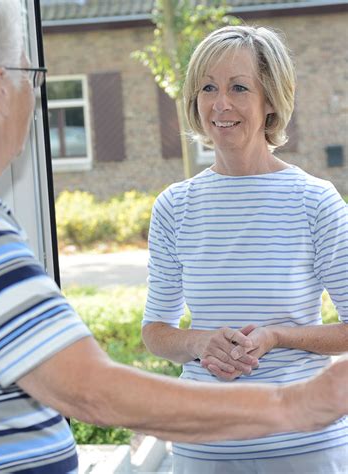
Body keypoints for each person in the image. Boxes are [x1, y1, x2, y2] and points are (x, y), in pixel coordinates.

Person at [0, 3, 346, 472]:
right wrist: (290, 405)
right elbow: (88, 388)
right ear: (0, 88)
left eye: (238, 87)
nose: (34, 95)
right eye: (31, 74)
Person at [142, 25, 348, 473]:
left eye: (239, 87)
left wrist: (278, 336)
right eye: (208, 88)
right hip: (204, 447)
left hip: (304, 445)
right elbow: (155, 331)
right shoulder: (175, 206)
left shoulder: (315, 201)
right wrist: (200, 342)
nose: (221, 104)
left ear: (270, 100)